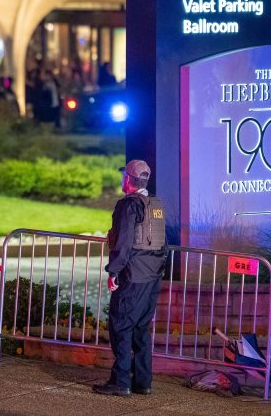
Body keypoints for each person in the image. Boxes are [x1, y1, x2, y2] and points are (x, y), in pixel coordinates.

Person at [93, 159, 167, 397]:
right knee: (141, 329)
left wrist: (113, 271)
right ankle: (143, 382)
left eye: (123, 176)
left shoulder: (128, 205)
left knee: (121, 327)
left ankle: (121, 381)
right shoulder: (155, 204)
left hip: (133, 277)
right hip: (152, 277)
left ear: (128, 179)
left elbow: (123, 242)